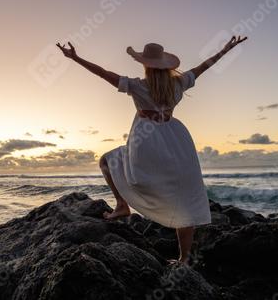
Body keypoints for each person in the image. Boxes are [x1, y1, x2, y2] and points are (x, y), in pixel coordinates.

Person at [56, 36, 247, 263]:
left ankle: (121, 204)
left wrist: (76, 58)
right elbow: (204, 66)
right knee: (184, 200)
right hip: (176, 140)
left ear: (145, 64)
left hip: (145, 142)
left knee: (107, 161)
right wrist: (225, 49)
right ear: (166, 66)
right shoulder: (179, 83)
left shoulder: (138, 85)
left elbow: (103, 73)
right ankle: (184, 258)